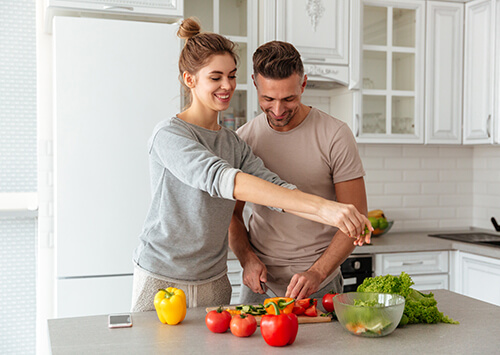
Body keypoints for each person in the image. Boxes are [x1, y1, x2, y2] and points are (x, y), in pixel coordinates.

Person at [131, 19, 371, 312]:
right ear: (190, 79)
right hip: (163, 275)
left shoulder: (234, 143)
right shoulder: (169, 135)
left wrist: (338, 214)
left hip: (213, 277)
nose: (227, 86)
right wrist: (325, 209)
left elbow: (277, 190)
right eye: (215, 77)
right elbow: (220, 178)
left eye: (231, 76)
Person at [229, 41, 370, 304]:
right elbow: (231, 217)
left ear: (303, 84)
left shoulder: (335, 135)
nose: (278, 110)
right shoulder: (244, 139)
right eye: (268, 99)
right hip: (259, 285)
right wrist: (247, 259)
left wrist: (317, 272)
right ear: (255, 84)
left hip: (320, 284)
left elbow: (356, 216)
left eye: (289, 99)